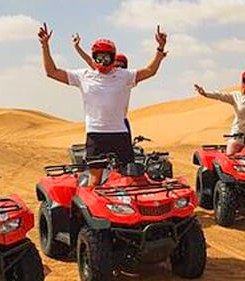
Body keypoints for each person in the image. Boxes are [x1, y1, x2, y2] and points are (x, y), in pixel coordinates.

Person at [40, 23, 167, 180]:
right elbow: (52, 72)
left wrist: (160, 48)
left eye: (107, 57)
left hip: (120, 133)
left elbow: (150, 71)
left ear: (113, 58)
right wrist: (45, 46)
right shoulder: (83, 76)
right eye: (99, 57)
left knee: (128, 179)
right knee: (95, 180)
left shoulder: (124, 75)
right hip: (96, 134)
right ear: (94, 57)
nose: (103, 61)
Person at [72, 35, 132, 135]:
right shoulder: (102, 75)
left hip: (121, 123)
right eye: (116, 65)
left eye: (122, 66)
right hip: (100, 128)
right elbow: (91, 61)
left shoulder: (127, 78)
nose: (119, 68)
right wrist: (77, 48)